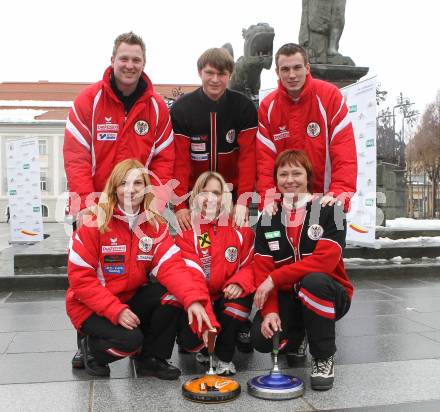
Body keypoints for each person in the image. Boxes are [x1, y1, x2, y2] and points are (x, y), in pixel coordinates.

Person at [66, 159, 216, 379]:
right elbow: (81, 280)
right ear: (114, 187)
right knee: (130, 341)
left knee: (172, 294)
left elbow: (173, 268)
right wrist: (115, 310)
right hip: (90, 305)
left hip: (130, 298)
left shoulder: (154, 225)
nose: (130, 189)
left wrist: (193, 300)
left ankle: (152, 358)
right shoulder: (93, 221)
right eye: (123, 183)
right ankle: (92, 349)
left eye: (137, 183)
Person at [251, 150, 353, 391]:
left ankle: (323, 357)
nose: (290, 180)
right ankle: (297, 338)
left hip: (328, 295)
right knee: (260, 338)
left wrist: (274, 278)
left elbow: (323, 263)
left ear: (308, 177)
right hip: (290, 297)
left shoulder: (330, 209)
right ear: (275, 180)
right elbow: (262, 268)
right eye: (283, 174)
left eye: (296, 173)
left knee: (314, 281)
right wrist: (270, 311)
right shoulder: (268, 217)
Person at [63, 31, 174, 228]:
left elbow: (164, 160)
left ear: (144, 63)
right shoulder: (88, 101)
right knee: (87, 259)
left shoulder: (157, 107)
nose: (129, 65)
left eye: (136, 60)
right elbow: (76, 158)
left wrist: (155, 204)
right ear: (113, 60)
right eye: (124, 59)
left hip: (138, 212)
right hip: (95, 207)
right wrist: (85, 204)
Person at [256, 43, 357, 211]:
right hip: (284, 206)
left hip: (325, 201)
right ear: (277, 72)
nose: (292, 75)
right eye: (285, 69)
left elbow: (344, 151)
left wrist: (339, 193)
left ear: (307, 68)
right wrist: (268, 197)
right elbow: (265, 159)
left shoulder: (330, 96)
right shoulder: (268, 106)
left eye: (297, 67)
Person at [175, 171, 255, 375]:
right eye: (204, 192)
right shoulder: (187, 232)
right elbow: (192, 278)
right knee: (190, 334)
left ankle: (225, 358)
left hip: (228, 295)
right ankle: (202, 347)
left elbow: (251, 264)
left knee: (238, 306)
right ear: (195, 196)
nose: (210, 198)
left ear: (225, 197)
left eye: (216, 193)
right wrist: (208, 322)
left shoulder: (240, 227)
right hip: (201, 296)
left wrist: (239, 282)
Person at [170, 47, 257, 230]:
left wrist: (243, 201)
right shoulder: (182, 108)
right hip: (194, 196)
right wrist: (179, 206)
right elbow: (180, 161)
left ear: (230, 75)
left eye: (222, 74)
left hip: (231, 197)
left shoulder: (244, 107)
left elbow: (248, 159)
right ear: (200, 72)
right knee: (195, 248)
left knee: (232, 249)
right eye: (209, 73)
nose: (215, 79)